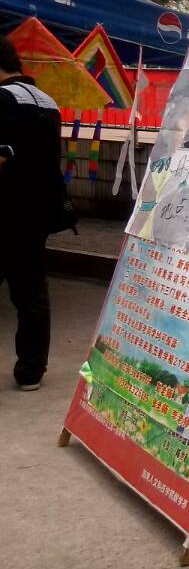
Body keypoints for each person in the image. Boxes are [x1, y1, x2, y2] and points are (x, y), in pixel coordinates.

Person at [0, 36, 63, 391]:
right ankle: (31, 372)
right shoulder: (48, 101)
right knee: (32, 292)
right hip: (39, 212)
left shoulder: (2, 98)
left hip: (6, 208)